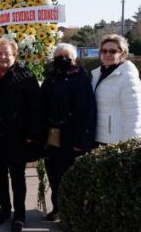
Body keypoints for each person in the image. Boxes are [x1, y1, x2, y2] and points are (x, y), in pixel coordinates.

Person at [0, 37, 42, 232]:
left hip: (18, 136)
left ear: (15, 55)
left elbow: (36, 108)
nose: (3, 57)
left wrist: (31, 133)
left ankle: (19, 214)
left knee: (17, 177)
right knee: (0, 176)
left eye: (7, 54)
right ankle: (4, 209)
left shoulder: (25, 76)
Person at [40, 43, 96, 221]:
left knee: (68, 175)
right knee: (53, 173)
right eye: (58, 56)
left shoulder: (81, 78)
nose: (62, 59)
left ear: (74, 59)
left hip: (71, 135)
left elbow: (86, 111)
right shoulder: (51, 77)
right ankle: (57, 207)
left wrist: (82, 141)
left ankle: (71, 211)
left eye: (66, 56)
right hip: (51, 134)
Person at [92, 34, 141, 145]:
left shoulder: (128, 76)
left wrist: (131, 145)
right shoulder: (97, 74)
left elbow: (134, 115)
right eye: (104, 51)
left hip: (115, 141)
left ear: (122, 53)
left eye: (112, 51)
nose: (107, 54)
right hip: (97, 137)